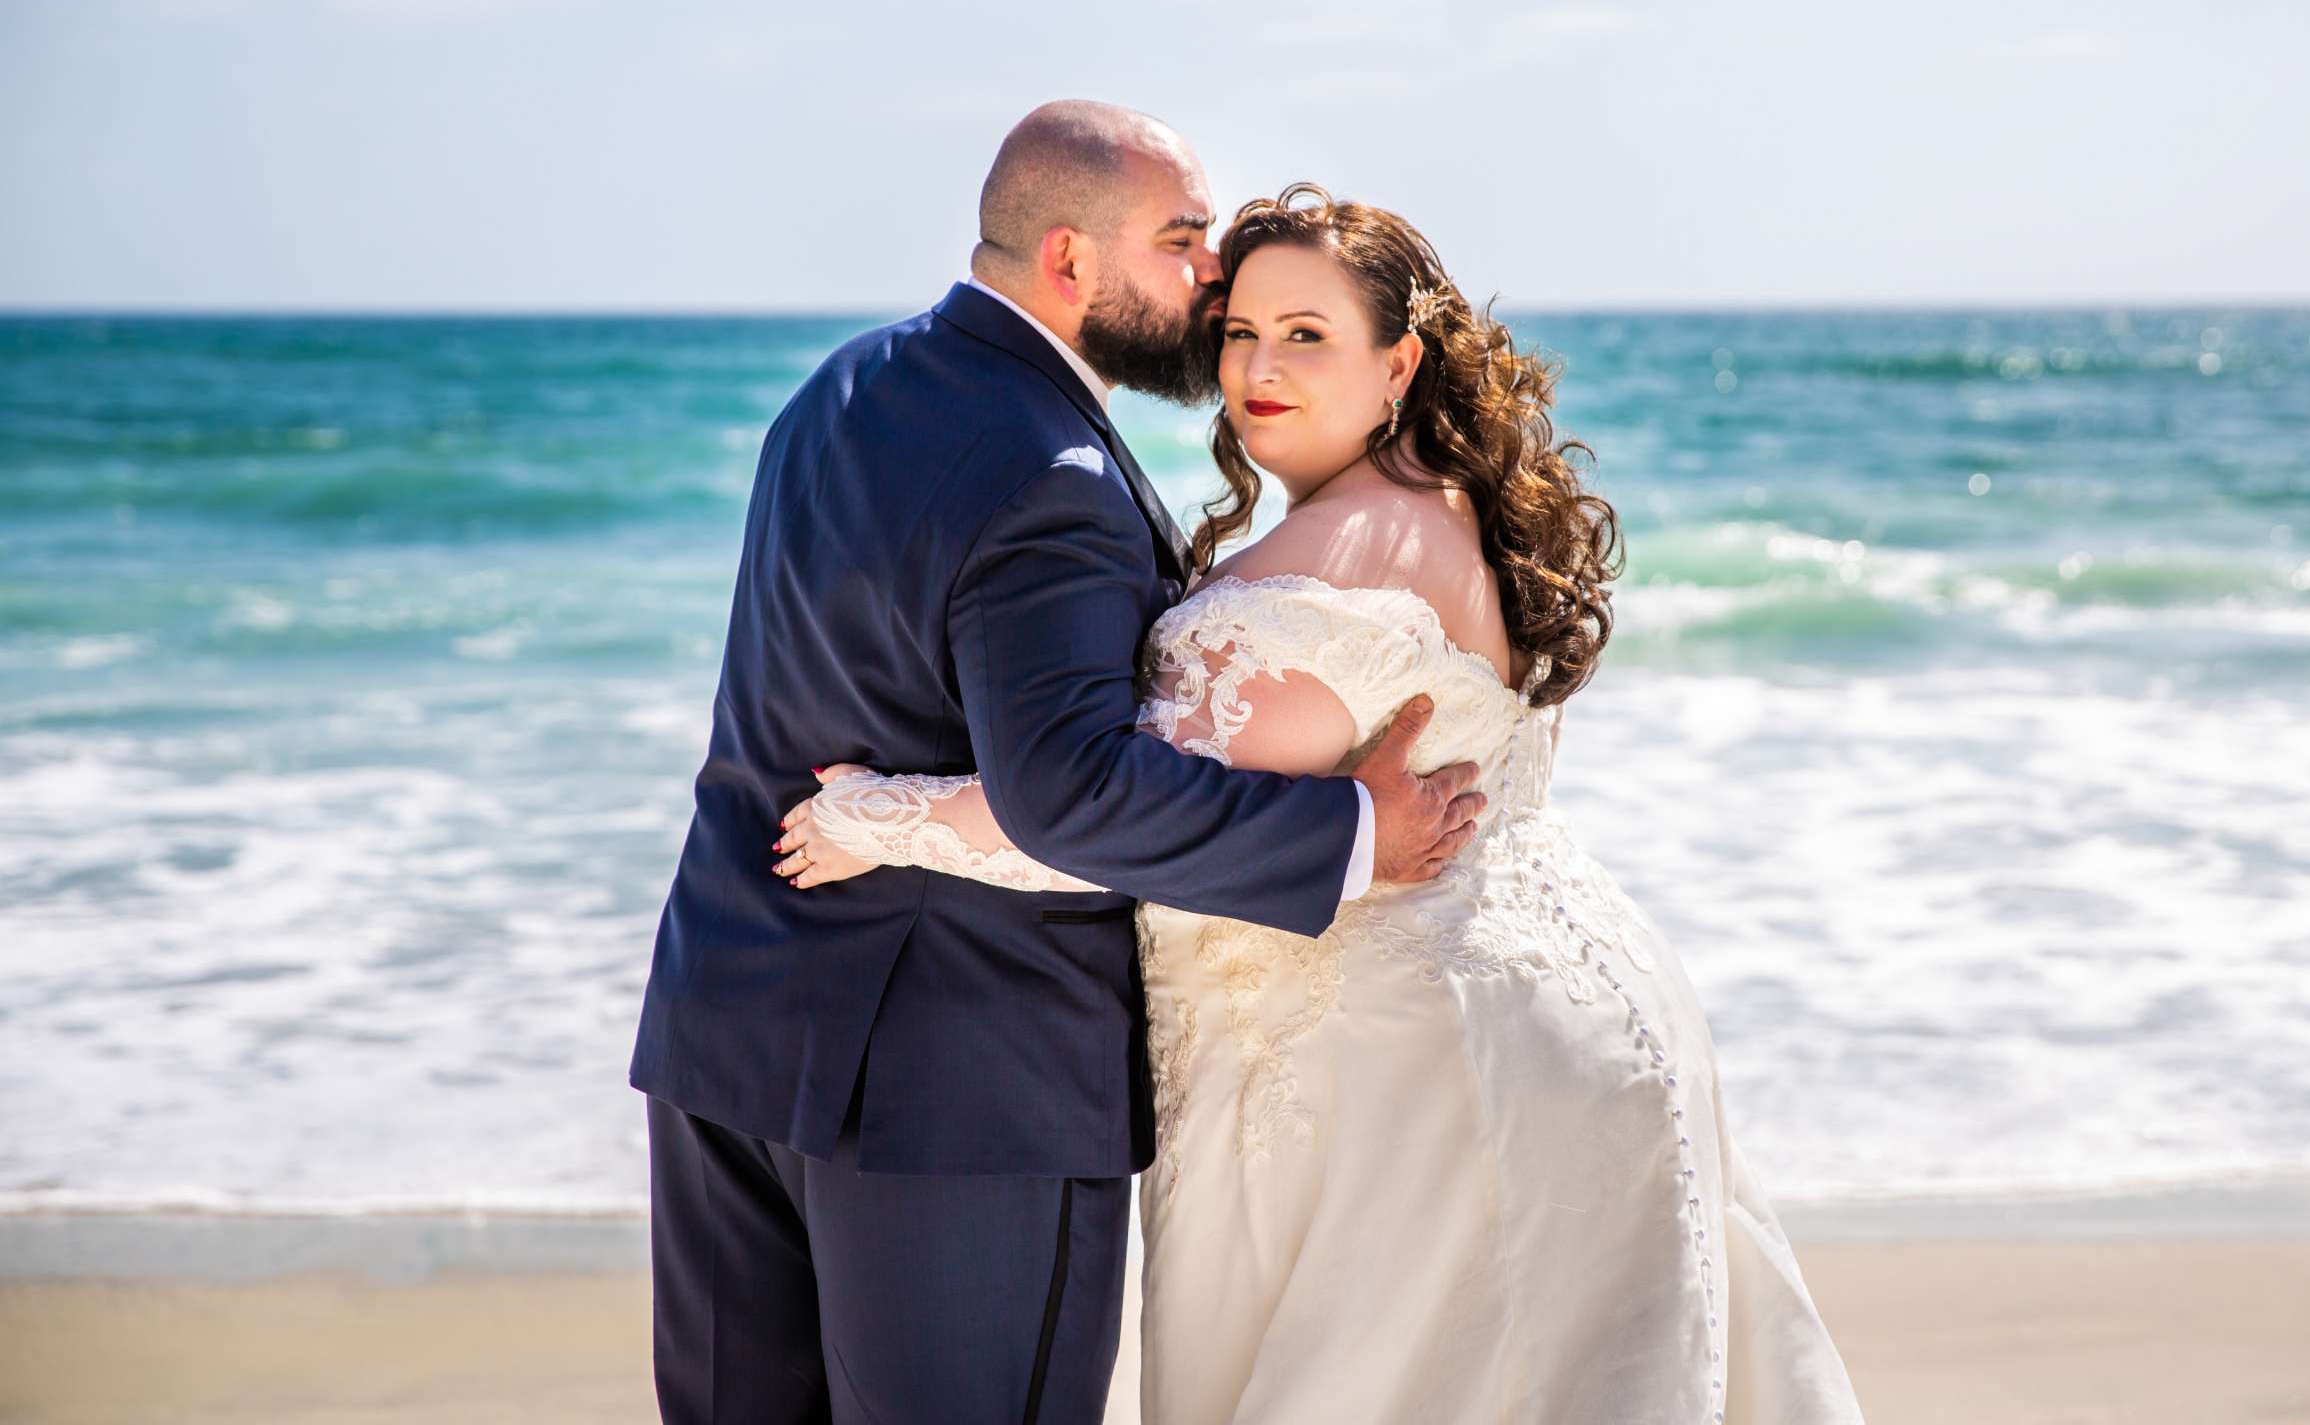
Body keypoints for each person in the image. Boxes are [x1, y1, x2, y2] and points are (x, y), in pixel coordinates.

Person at [774, 184, 1867, 1423]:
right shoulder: (1460, 513)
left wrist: (870, 817)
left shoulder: (1299, 583)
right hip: (1589, 1015)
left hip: (1396, 1088)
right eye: (1239, 332)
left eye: (1307, 335)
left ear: (1398, 361)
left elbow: (1094, 822)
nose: (1257, 369)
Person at [626, 106, 1484, 1424]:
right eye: (1184, 240)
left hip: (726, 1033)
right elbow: (1072, 791)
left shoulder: (836, 392)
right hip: (960, 1093)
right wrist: (1355, 838)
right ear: (1074, 263)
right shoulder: (1055, 471)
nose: (1214, 277)